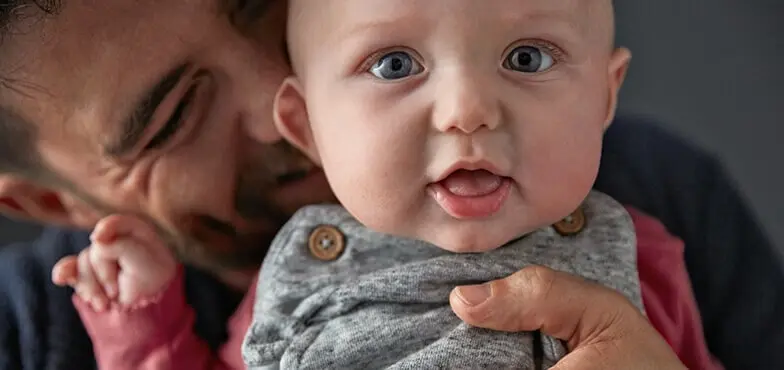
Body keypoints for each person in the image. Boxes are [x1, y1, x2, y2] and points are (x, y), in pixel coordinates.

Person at [0, 0, 781, 369]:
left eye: (266, 7)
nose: (279, 90)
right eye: (172, 118)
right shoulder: (284, 294)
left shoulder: (655, 208)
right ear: (54, 205)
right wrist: (144, 329)